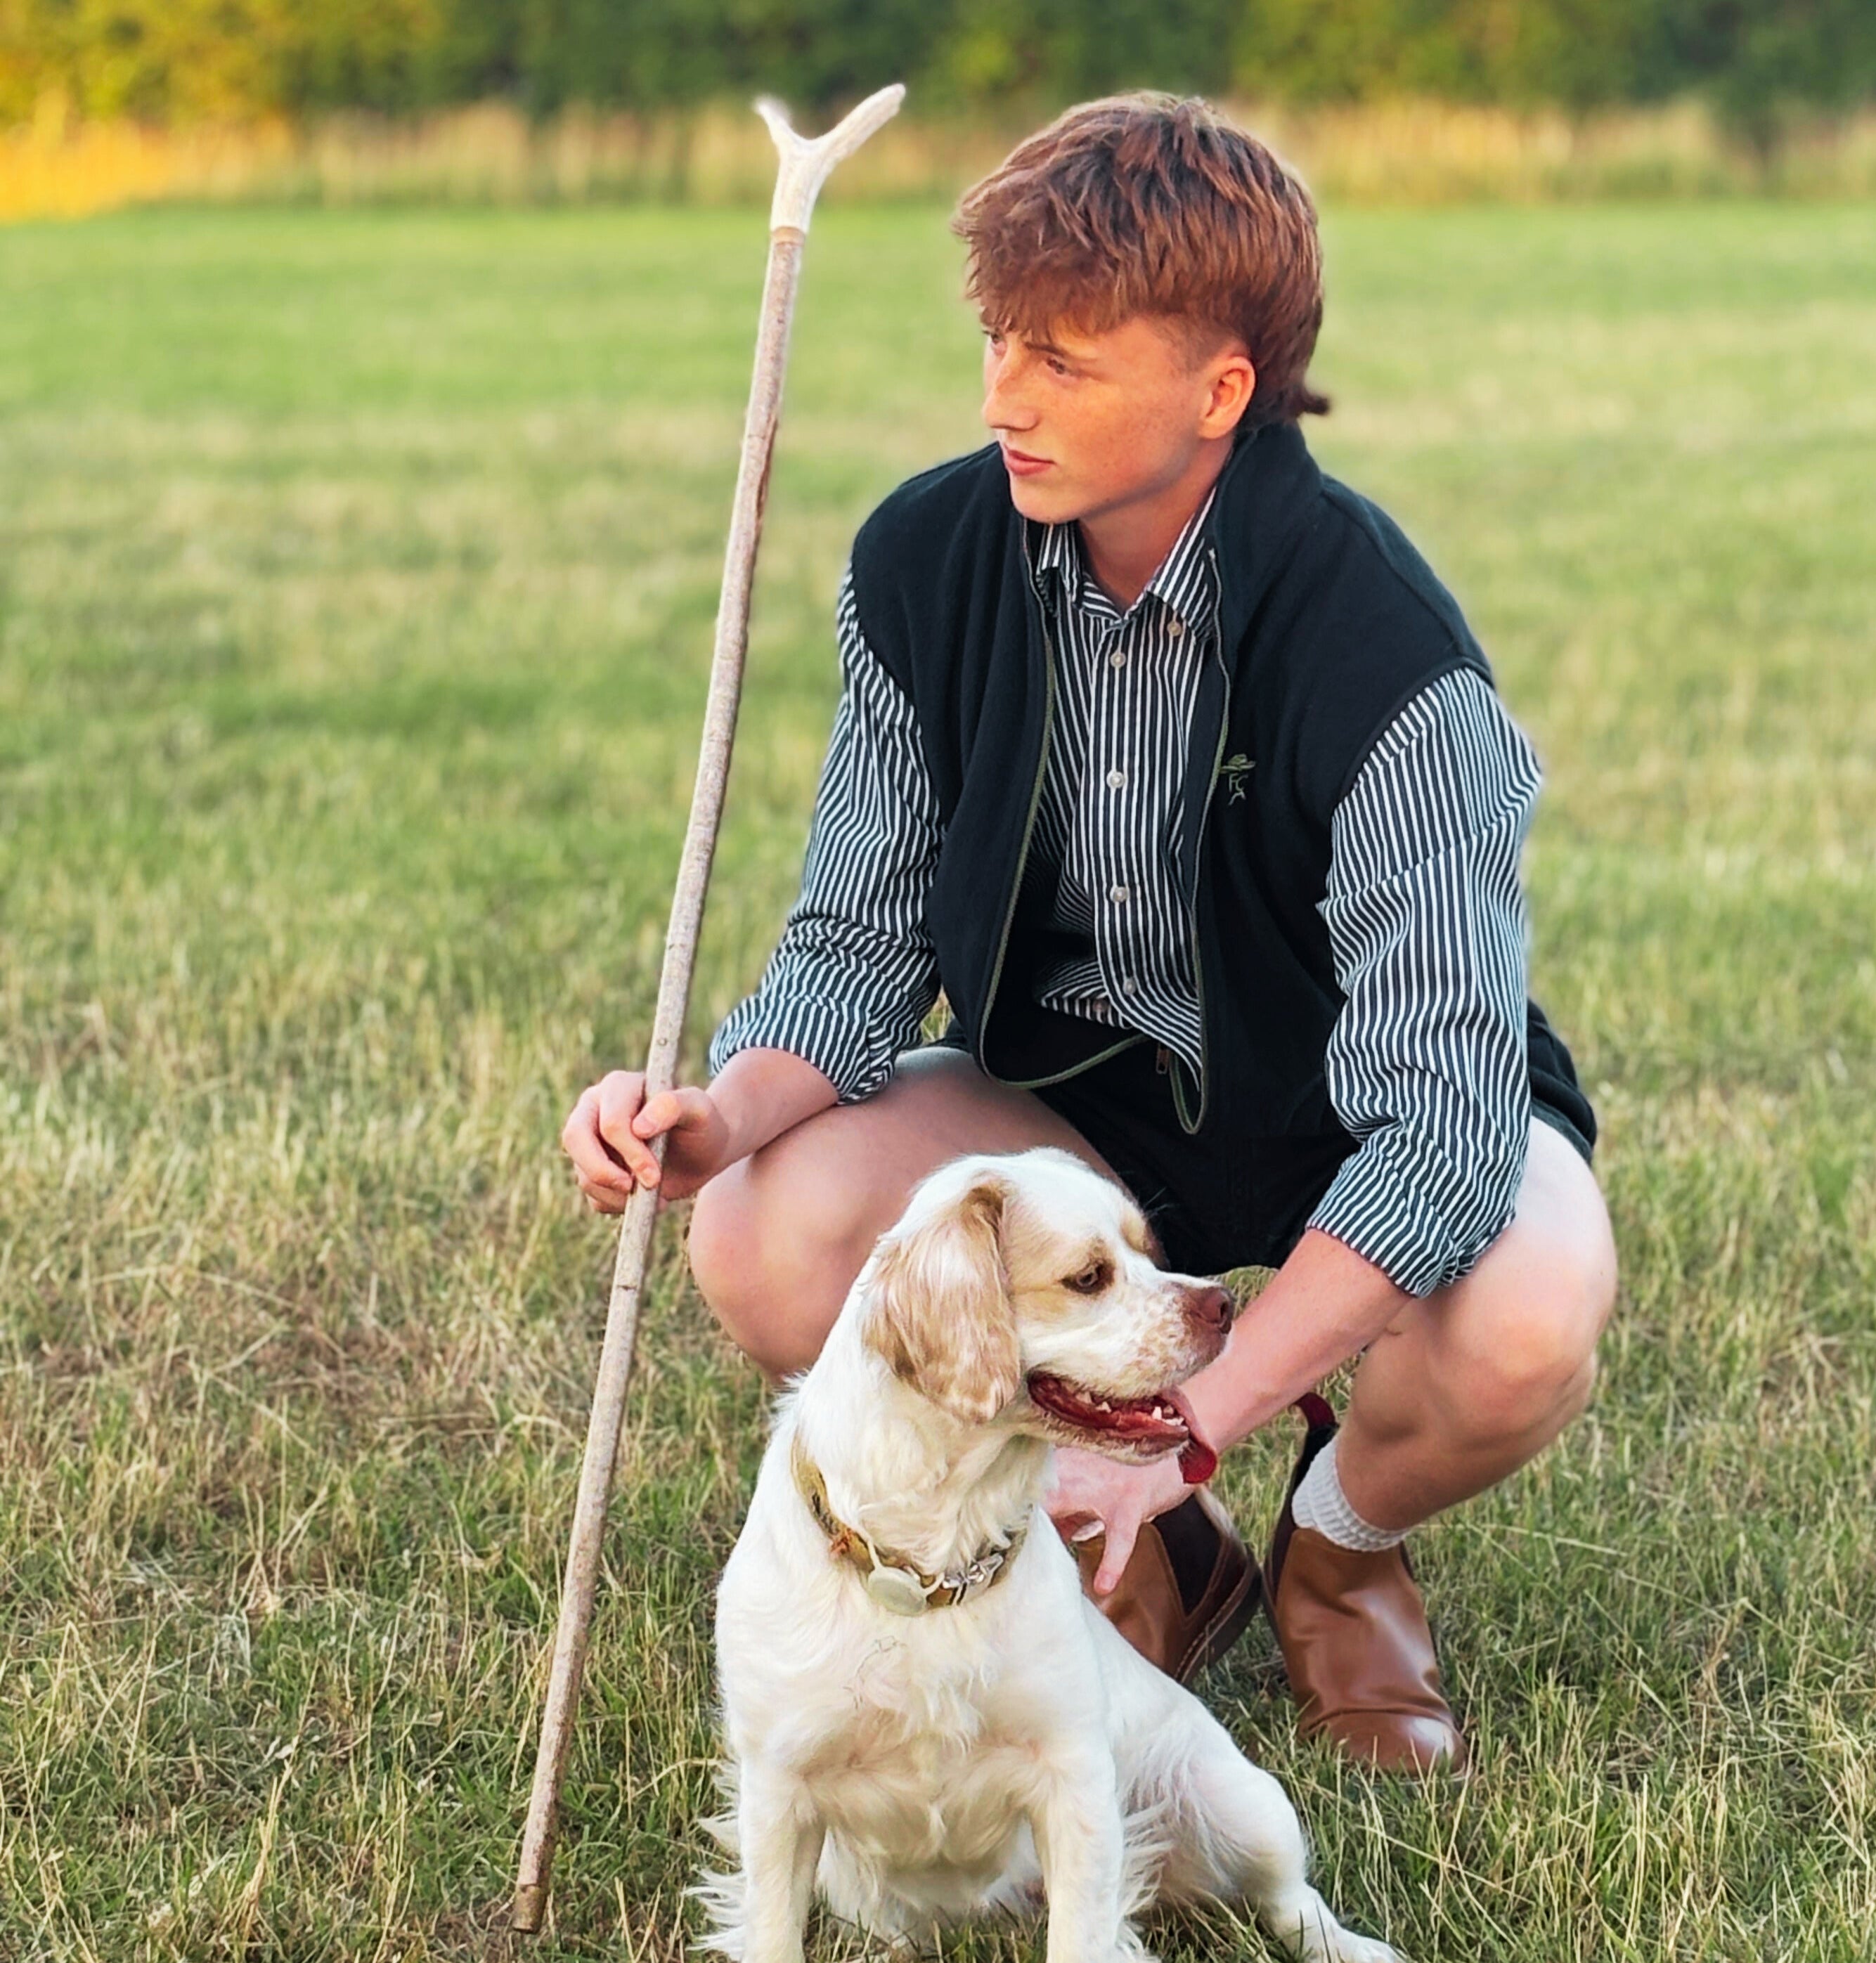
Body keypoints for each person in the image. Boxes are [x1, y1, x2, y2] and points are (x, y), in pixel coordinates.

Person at [559, 93, 1616, 1777]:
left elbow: (1440, 1133)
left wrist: (1193, 1426)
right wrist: (716, 1115)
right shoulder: (924, 560)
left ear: (1222, 392)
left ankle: (1333, 1549)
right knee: (765, 1232)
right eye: (995, 341)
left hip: (1361, 1126)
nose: (1003, 401)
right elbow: (852, 943)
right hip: (1074, 1132)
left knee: (1526, 1319)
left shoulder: (1389, 657)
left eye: (1062, 360)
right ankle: (1161, 1556)